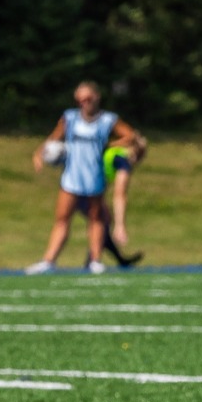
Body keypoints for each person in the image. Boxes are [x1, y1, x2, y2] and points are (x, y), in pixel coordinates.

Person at [26, 81, 137, 275]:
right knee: (62, 219)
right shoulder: (70, 118)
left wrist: (111, 145)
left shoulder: (107, 120)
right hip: (71, 177)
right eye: (80, 99)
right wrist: (39, 153)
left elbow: (130, 136)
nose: (84, 102)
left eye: (88, 98)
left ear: (96, 97)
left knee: (97, 219)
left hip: (94, 176)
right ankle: (49, 260)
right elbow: (55, 137)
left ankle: (95, 260)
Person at [100, 132, 147, 268]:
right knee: (101, 223)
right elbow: (120, 194)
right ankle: (94, 261)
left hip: (78, 187)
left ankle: (116, 260)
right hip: (83, 190)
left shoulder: (113, 151)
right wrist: (120, 225)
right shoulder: (123, 160)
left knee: (102, 223)